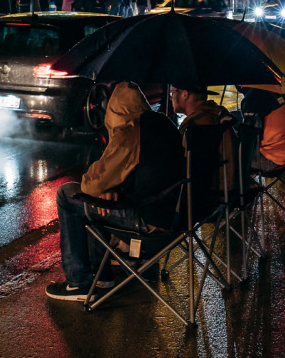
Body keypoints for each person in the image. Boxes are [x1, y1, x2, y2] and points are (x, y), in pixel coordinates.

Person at [45, 82, 184, 301]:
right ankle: (102, 276)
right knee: (100, 198)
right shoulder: (163, 124)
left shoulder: (129, 133)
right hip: (169, 213)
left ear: (114, 110)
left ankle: (78, 282)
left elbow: (93, 184)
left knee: (68, 194)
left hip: (146, 220)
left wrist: (103, 187)